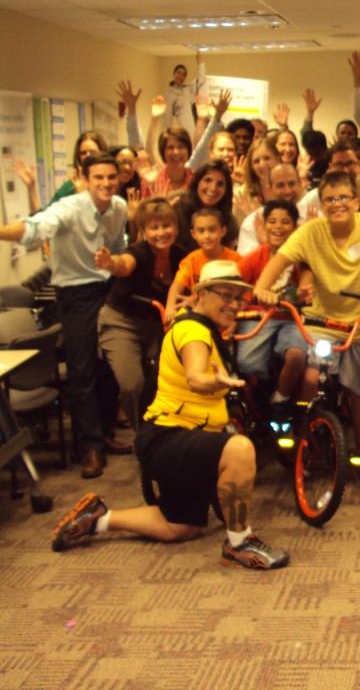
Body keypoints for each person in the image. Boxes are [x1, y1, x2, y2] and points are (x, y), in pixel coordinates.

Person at [50, 261, 289, 570]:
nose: (233, 304)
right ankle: (239, 543)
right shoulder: (193, 331)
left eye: (238, 298)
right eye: (225, 295)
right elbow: (195, 375)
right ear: (201, 294)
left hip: (172, 436)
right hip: (168, 438)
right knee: (240, 448)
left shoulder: (203, 327)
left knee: (181, 527)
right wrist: (209, 381)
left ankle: (99, 519)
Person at [252, 171, 360, 475]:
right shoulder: (311, 232)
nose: (337, 204)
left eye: (344, 198)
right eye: (330, 199)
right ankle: (307, 443)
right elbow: (277, 263)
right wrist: (262, 289)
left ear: (356, 202)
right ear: (321, 205)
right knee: (308, 379)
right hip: (320, 322)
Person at [0, 153, 128, 478]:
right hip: (75, 294)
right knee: (82, 371)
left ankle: (106, 434)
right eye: (98, 177)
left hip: (108, 287)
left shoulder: (119, 208)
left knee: (110, 367)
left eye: (111, 177)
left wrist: (112, 260)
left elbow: (116, 245)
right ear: (84, 180)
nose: (106, 183)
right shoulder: (69, 208)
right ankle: (90, 448)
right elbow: (36, 228)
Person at [96, 197, 188, 438]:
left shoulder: (181, 256)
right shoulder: (138, 252)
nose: (161, 232)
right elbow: (123, 265)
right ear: (144, 232)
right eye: (154, 227)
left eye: (166, 225)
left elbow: (194, 284)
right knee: (132, 384)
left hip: (160, 326)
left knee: (167, 379)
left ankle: (169, 431)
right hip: (122, 324)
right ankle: (143, 437)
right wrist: (110, 263)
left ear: (176, 228)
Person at [236, 200, 307, 423]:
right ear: (264, 226)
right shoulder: (256, 257)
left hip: (292, 319)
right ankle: (257, 406)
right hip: (259, 316)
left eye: (286, 222)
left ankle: (281, 397)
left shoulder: (302, 259)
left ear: (296, 226)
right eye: (272, 221)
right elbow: (235, 286)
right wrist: (251, 298)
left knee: (297, 355)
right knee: (247, 363)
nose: (278, 227)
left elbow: (307, 284)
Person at [165, 208, 242, 319]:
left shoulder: (236, 260)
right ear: (193, 234)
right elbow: (177, 285)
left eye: (212, 230)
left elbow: (244, 297)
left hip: (228, 312)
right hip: (197, 311)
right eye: (201, 231)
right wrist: (170, 308)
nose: (207, 236)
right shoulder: (191, 260)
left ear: (223, 231)